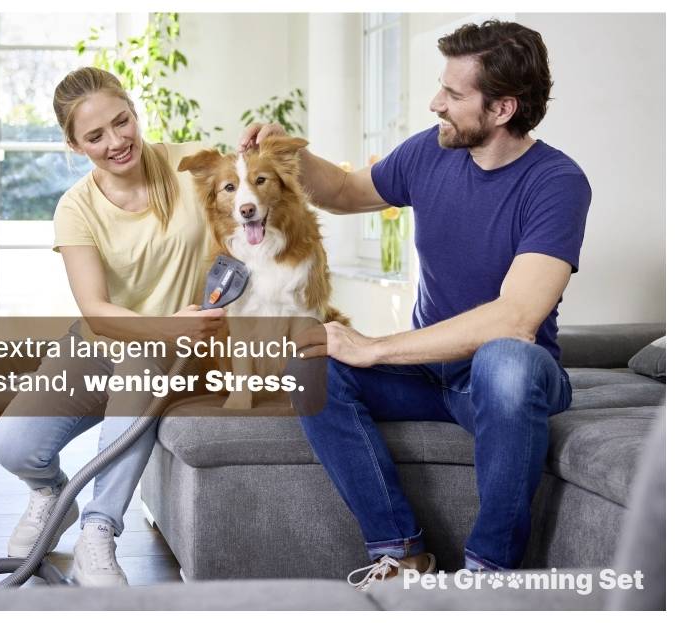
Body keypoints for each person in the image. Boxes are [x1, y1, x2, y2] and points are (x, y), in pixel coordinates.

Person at [239, 20, 591, 590]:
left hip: (503, 381)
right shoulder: (430, 153)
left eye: (453, 95)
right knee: (308, 364)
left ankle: (489, 574)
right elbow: (348, 192)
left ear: (502, 109)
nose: (436, 104)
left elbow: (516, 318)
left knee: (506, 359)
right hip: (430, 376)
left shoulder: (556, 182)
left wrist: (376, 348)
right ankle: (401, 551)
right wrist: (284, 153)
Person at [0, 66, 222, 587]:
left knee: (140, 368)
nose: (118, 142)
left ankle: (98, 533)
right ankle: (52, 496)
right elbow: (95, 310)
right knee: (12, 444)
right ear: (74, 145)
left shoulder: (192, 164)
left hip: (176, 355)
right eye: (96, 136)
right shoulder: (76, 208)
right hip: (103, 341)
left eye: (122, 122)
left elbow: (257, 191)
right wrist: (164, 325)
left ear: (134, 113)